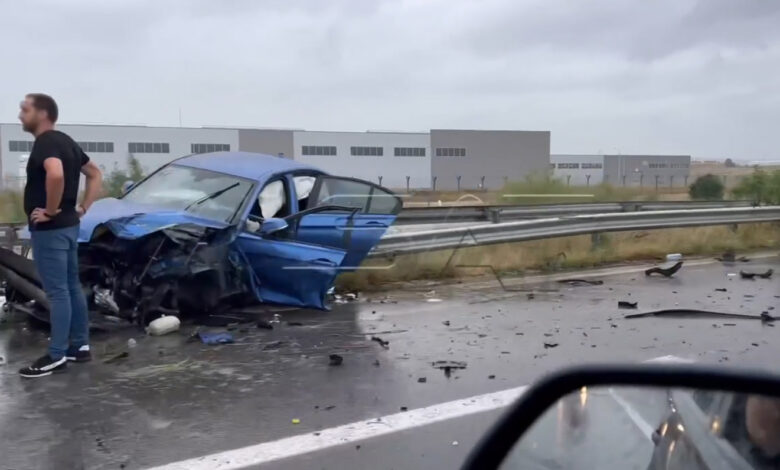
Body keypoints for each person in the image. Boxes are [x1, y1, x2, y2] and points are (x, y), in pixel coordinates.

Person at [17, 93, 103, 378]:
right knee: (70, 286)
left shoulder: (46, 143)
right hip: (69, 226)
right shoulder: (66, 141)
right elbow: (95, 173)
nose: (20, 115)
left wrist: (51, 211)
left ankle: (56, 355)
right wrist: (82, 207)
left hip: (51, 229)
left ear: (42, 114)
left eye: (24, 109)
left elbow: (54, 175)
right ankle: (79, 347)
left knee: (57, 292)